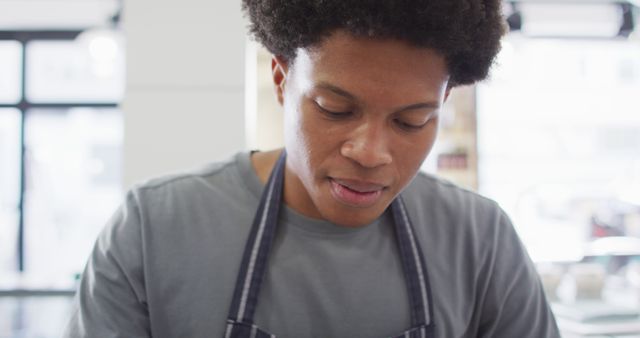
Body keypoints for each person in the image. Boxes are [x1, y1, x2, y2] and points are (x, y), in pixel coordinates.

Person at [64, 0, 560, 337]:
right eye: (334, 108)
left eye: (411, 121)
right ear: (281, 79)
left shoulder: (481, 239)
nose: (370, 153)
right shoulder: (154, 229)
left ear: (444, 102)